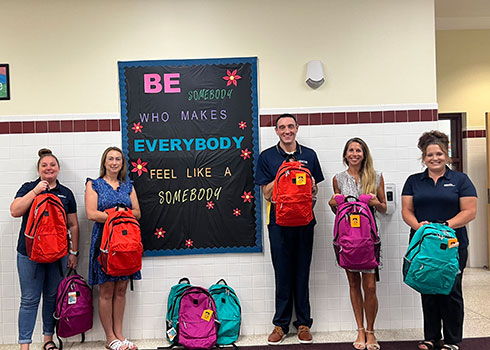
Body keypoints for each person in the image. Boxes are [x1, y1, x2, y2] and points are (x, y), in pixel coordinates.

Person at [401, 131, 477, 350]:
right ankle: (431, 337)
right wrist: (421, 229)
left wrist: (443, 227)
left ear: (447, 155)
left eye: (439, 154)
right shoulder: (414, 181)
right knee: (428, 288)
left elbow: (469, 211)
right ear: (423, 158)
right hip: (423, 245)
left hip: (452, 246)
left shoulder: (460, 180)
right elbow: (407, 210)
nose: (434, 158)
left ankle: (452, 340)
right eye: (429, 155)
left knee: (451, 290)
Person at [256, 113, 324, 345]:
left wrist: (309, 185)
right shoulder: (267, 157)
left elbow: (315, 192)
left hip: (305, 222)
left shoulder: (310, 155)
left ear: (297, 128)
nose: (287, 131)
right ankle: (280, 324)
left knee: (303, 272)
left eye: (291, 126)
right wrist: (285, 172)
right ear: (276, 131)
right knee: (282, 273)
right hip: (278, 223)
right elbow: (266, 194)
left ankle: (304, 323)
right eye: (282, 127)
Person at [10, 148, 79, 350]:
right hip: (29, 254)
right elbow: (15, 211)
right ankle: (25, 345)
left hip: (58, 254)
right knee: (29, 300)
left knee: (51, 298)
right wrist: (36, 191)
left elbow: (73, 225)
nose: (49, 168)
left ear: (58, 169)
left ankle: (48, 340)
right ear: (39, 169)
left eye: (52, 165)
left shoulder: (65, 193)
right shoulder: (28, 187)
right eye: (44, 165)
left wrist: (73, 252)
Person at [328, 138, 386, 350]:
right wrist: (333, 203)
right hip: (347, 238)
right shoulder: (338, 178)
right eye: (351, 150)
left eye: (358, 150)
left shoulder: (376, 176)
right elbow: (337, 210)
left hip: (369, 238)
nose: (354, 154)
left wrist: (374, 202)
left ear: (364, 154)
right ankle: (359, 330)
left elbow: (384, 208)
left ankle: (371, 331)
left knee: (370, 286)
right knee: (353, 283)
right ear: (345, 154)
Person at [85, 146, 141, 350]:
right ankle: (110, 338)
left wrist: (119, 214)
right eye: (111, 159)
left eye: (118, 159)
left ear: (122, 163)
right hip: (105, 242)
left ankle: (120, 334)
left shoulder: (128, 186)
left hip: (127, 244)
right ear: (104, 162)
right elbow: (91, 213)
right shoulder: (94, 185)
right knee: (106, 289)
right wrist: (118, 214)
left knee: (122, 289)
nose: (114, 162)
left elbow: (137, 213)